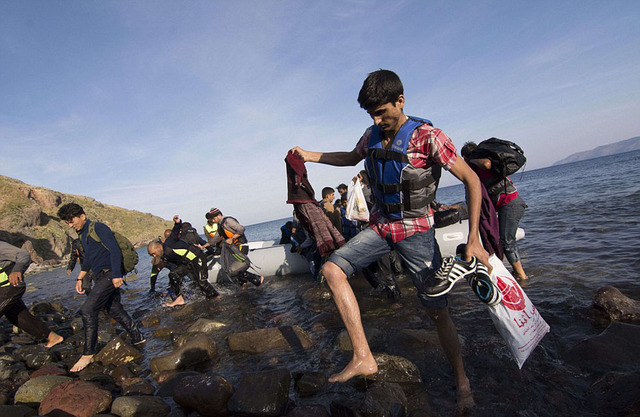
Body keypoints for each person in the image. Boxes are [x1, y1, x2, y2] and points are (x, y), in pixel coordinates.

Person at [291, 69, 488, 412]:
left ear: (401, 101)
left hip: (417, 233)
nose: (377, 119)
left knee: (437, 313)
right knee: (333, 271)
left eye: (382, 112)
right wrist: (310, 155)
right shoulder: (371, 134)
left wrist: (474, 239)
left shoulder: (429, 136)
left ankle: (462, 379)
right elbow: (351, 159)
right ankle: (363, 357)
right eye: (371, 114)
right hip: (381, 227)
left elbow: (472, 180)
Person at [57, 203, 145, 372]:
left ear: (82, 215)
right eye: (67, 222)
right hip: (100, 276)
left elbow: (114, 250)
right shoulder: (83, 235)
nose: (70, 224)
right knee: (115, 309)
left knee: (88, 310)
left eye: (71, 220)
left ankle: (88, 353)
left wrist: (117, 274)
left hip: (109, 274)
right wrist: (80, 277)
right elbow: (89, 259)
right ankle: (138, 337)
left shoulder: (98, 227)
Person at [461, 142, 528, 280]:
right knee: (504, 240)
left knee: (507, 241)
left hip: (511, 204)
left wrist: (472, 159)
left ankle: (521, 275)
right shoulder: (475, 172)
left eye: (464, 158)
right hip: (508, 204)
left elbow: (487, 164)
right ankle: (513, 273)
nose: (464, 162)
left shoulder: (482, 163)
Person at [0, 240, 64, 349]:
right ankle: (53, 337)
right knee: (17, 316)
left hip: (11, 285)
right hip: (4, 289)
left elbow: (23, 255)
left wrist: (17, 270)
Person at [147, 215, 220, 307]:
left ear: (158, 247)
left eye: (154, 253)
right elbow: (171, 267)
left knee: (202, 283)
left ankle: (217, 298)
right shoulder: (162, 256)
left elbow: (175, 231)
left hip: (197, 257)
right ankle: (180, 299)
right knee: (173, 275)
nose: (154, 256)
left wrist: (177, 222)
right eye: (151, 255)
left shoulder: (169, 243)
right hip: (187, 263)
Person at [207, 208, 264, 288]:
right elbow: (216, 238)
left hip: (241, 246)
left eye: (213, 218)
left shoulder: (228, 221)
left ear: (219, 215)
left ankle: (257, 279)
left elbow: (241, 229)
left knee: (237, 268)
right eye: (211, 219)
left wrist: (232, 238)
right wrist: (203, 246)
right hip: (234, 249)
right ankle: (243, 285)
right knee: (234, 267)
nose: (212, 220)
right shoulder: (220, 226)